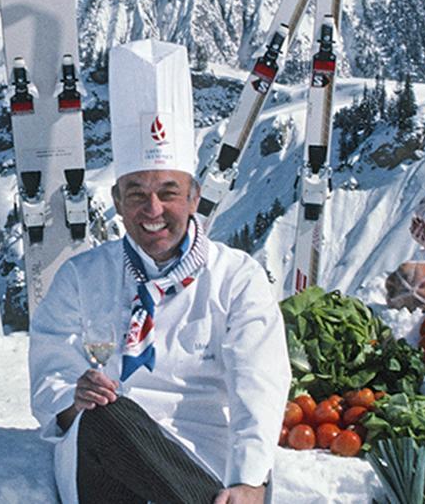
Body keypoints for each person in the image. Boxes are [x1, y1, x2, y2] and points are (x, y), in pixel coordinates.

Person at [29, 39, 290, 504]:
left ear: (194, 197)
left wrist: (250, 480)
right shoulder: (81, 278)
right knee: (109, 414)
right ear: (116, 203)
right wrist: (74, 398)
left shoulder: (235, 277)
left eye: (168, 192)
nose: (153, 209)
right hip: (105, 460)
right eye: (136, 193)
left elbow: (260, 380)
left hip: (203, 458)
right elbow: (50, 371)